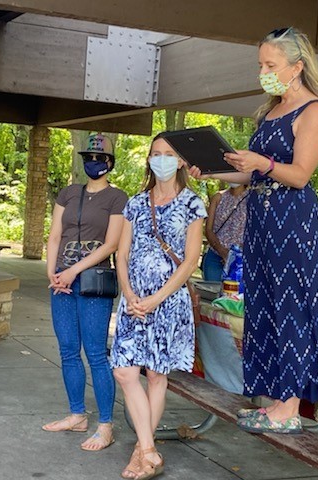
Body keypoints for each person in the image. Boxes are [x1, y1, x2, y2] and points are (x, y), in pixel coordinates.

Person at [190, 27, 318, 434]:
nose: (263, 72)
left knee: (291, 309)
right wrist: (208, 170)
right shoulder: (269, 111)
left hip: (293, 222)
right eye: (261, 65)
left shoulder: (314, 111)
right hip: (262, 222)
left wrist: (261, 163)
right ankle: (273, 402)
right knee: (264, 310)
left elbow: (301, 175)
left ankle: (290, 408)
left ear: (297, 66)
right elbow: (247, 174)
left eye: (271, 65)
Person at [111, 134, 206, 479]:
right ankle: (150, 448)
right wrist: (130, 294)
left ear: (181, 161)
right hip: (134, 300)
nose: (160, 159)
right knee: (124, 371)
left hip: (167, 300)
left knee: (155, 375)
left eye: (168, 154)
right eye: (155, 154)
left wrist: (156, 299)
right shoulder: (135, 203)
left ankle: (142, 453)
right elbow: (121, 254)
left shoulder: (193, 203)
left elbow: (191, 260)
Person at [42, 133, 128, 451]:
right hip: (60, 281)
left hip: (92, 281)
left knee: (95, 352)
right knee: (67, 350)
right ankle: (77, 415)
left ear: (110, 163)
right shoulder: (68, 193)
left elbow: (112, 243)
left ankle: (106, 425)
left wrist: (72, 271)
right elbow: (55, 235)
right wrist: (52, 272)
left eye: (100, 159)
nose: (94, 163)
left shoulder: (117, 198)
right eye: (89, 158)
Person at [202, 183, 248, 281]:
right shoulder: (218, 197)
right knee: (213, 292)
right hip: (215, 255)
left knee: (234, 294)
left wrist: (234, 257)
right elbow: (208, 229)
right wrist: (222, 252)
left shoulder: (251, 199)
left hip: (239, 260)